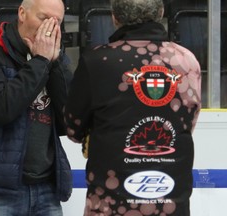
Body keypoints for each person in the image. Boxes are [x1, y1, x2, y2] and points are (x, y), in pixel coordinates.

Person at [64, 0, 201, 215]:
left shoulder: (97, 61)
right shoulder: (187, 61)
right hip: (170, 205)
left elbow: (73, 128)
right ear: (161, 12)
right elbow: (188, 123)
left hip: (110, 205)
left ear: (114, 17)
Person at [0, 0, 73, 215]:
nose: (48, 27)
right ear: (22, 13)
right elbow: (4, 109)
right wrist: (40, 60)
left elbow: (69, 121)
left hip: (46, 188)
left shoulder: (53, 59)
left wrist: (56, 63)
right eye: (43, 18)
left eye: (56, 21)